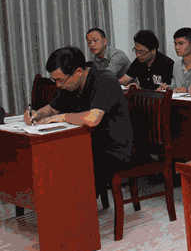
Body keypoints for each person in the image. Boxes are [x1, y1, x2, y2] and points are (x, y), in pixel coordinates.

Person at [26, 47, 133, 197]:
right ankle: (55, 204)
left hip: (113, 148)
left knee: (72, 164)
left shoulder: (105, 80)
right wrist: (36, 114)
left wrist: (63, 117)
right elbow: (52, 109)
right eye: (55, 80)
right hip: (87, 142)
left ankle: (78, 206)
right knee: (50, 158)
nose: (58, 85)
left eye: (60, 80)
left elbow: (93, 119)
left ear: (78, 72)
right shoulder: (70, 85)